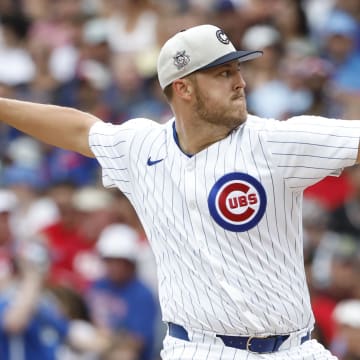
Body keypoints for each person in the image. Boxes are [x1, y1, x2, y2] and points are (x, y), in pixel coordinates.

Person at [0, 23, 359, 359]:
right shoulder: (142, 147)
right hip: (199, 348)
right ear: (184, 88)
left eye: (237, 70)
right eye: (223, 73)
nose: (240, 82)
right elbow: (79, 130)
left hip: (293, 348)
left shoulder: (273, 142)